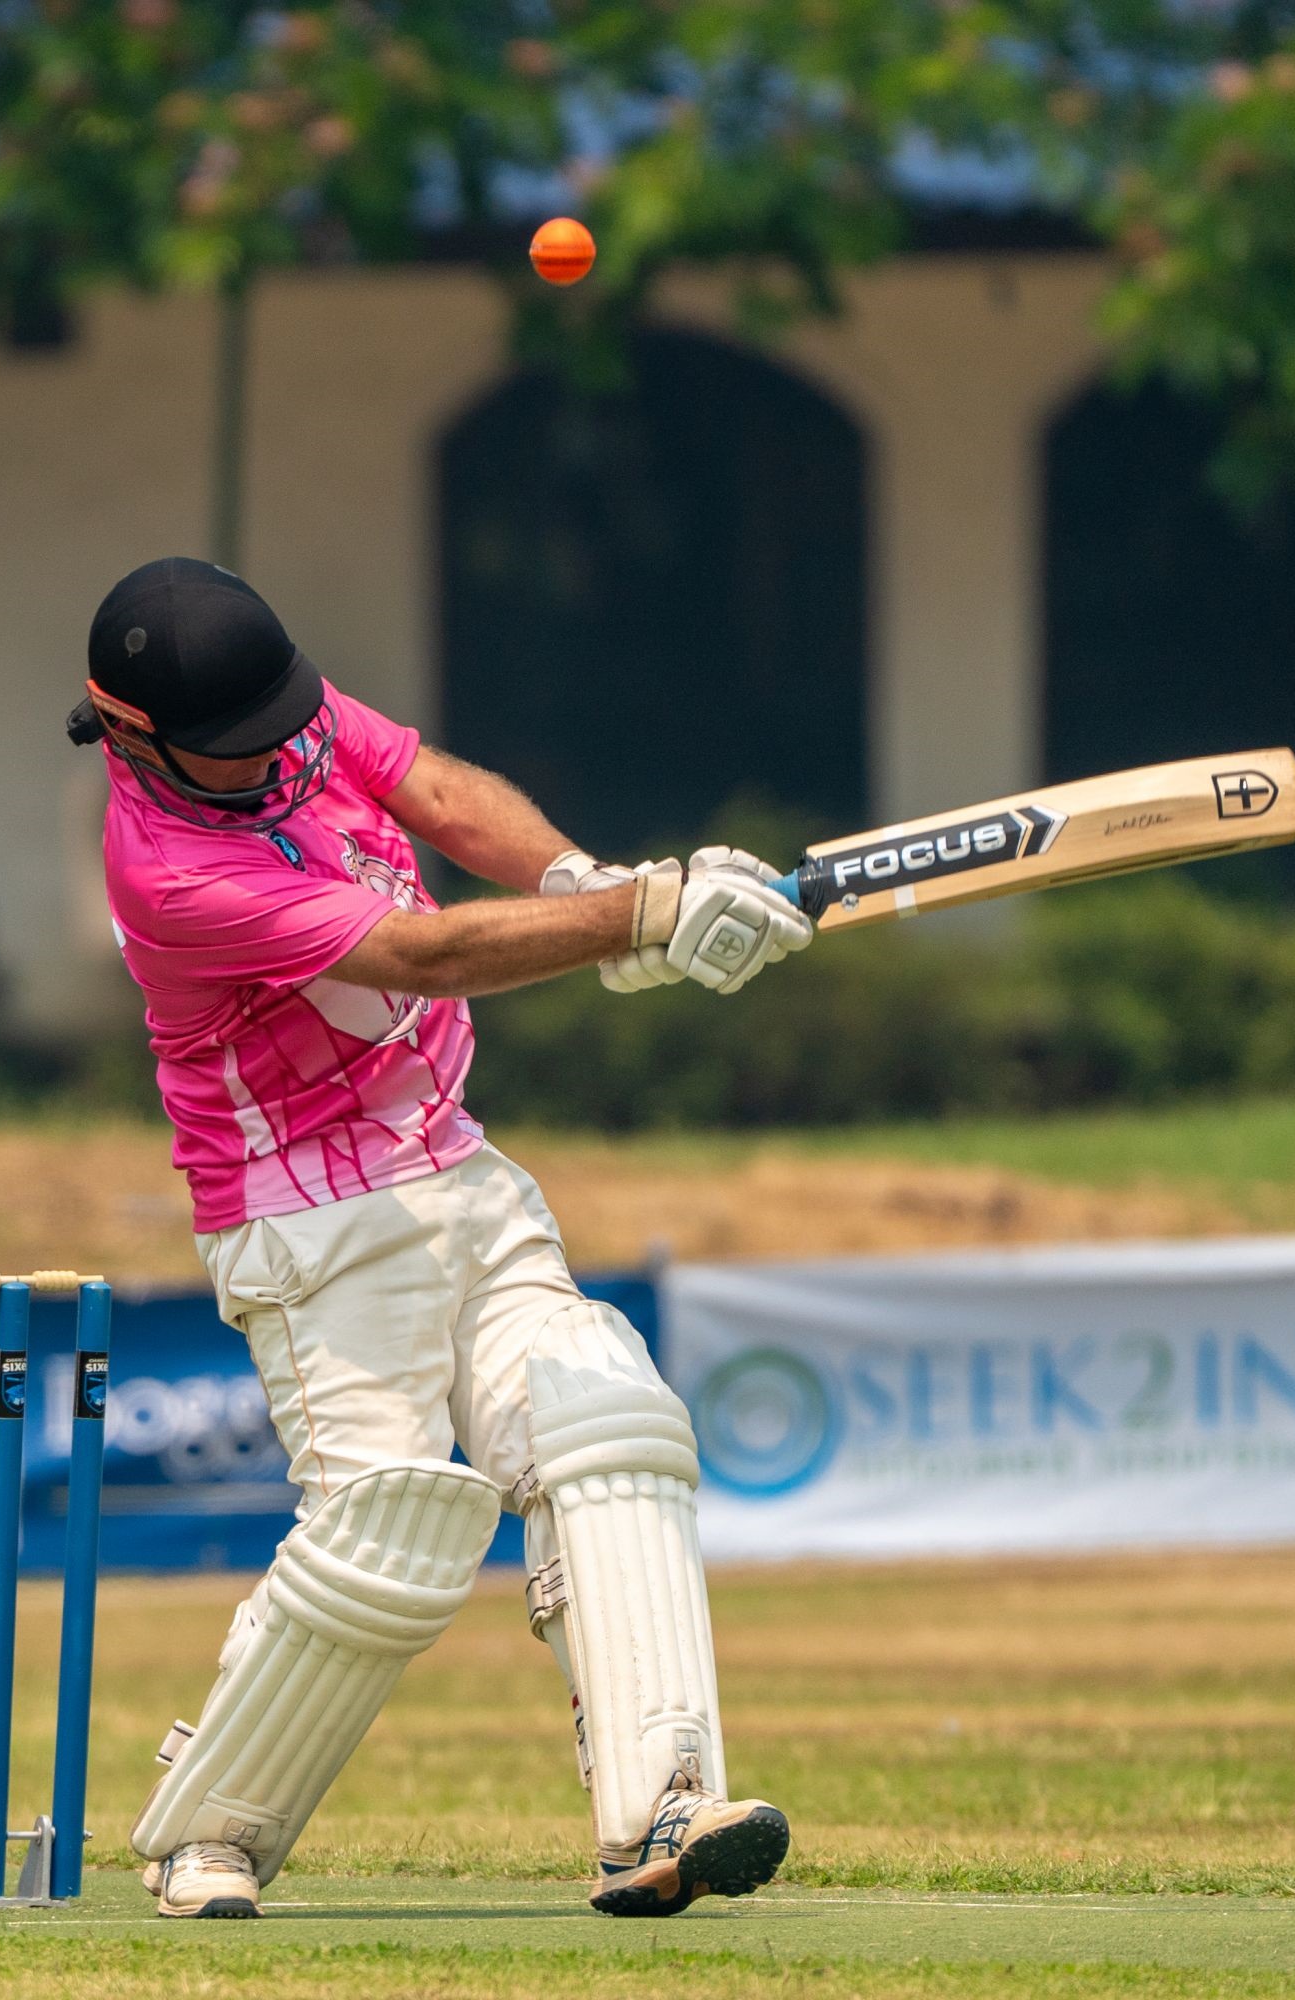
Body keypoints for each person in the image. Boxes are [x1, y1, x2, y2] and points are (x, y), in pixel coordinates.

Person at [73, 557, 814, 1920]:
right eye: (233, 744)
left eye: (276, 721)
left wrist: (586, 877)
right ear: (133, 734)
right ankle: (205, 1832)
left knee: (608, 1426)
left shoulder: (281, 723)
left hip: (455, 1164)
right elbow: (423, 954)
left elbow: (436, 789)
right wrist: (640, 916)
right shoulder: (167, 869)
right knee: (385, 1530)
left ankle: (659, 1810)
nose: (274, 754)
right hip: (311, 1224)